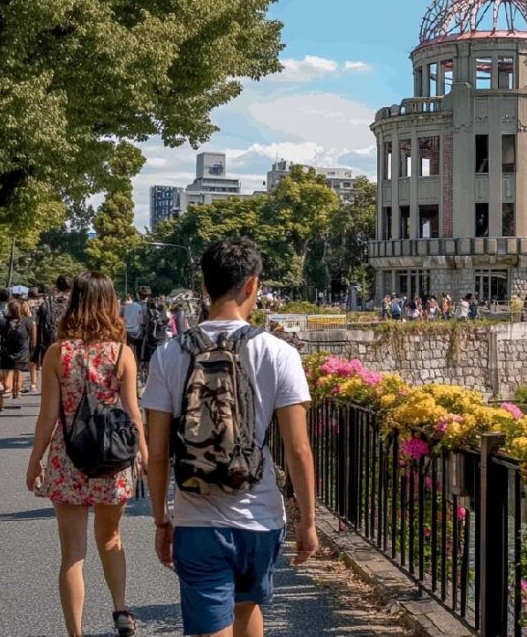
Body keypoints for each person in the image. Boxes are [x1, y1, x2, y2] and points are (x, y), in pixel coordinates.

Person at [143, 238, 318, 637]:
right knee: (246, 607)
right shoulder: (278, 353)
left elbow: (156, 453)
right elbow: (298, 449)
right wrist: (308, 521)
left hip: (196, 515)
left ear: (204, 287)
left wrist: (161, 520)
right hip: (260, 516)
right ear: (252, 286)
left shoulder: (168, 354)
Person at [25, 272, 148, 637]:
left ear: (74, 301)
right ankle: (121, 609)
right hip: (112, 457)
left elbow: (48, 416)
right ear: (111, 303)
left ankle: (75, 632)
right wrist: (141, 452)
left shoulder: (57, 354)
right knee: (111, 537)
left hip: (68, 458)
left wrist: (35, 462)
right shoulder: (122, 353)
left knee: (72, 554)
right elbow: (132, 410)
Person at [0, 301, 34, 401]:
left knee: (9, 370)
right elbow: (32, 338)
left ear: (9, 309)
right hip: (22, 351)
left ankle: (8, 389)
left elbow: (0, 335)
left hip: (7, 351)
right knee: (19, 370)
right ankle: (17, 391)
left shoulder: (3, 321)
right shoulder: (28, 321)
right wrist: (31, 351)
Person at [121, 288, 149, 352]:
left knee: (129, 349)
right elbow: (142, 321)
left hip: (127, 331)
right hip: (137, 331)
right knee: (138, 349)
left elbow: (121, 317)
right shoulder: (142, 307)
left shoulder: (125, 307)